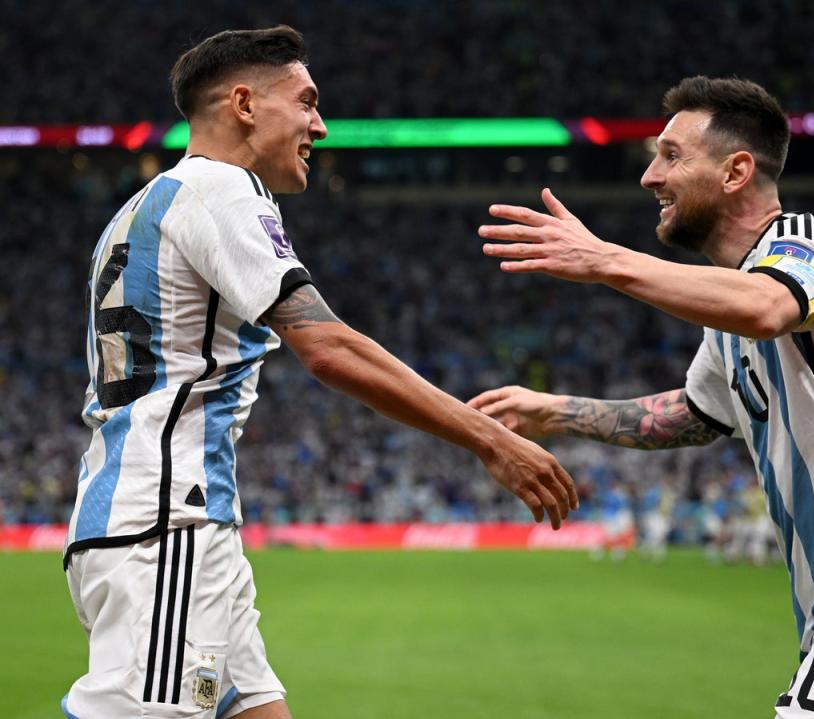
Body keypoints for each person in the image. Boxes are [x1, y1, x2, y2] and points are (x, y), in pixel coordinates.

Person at [62, 26, 577, 719]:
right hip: (164, 531)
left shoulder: (135, 211)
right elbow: (328, 346)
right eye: (306, 102)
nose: (321, 126)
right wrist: (488, 436)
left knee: (255, 709)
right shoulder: (223, 189)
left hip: (159, 522)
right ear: (243, 103)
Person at [469, 75, 814, 717]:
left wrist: (602, 259)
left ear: (736, 172)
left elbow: (766, 308)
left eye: (671, 155)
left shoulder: (812, 246)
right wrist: (554, 411)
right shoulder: (727, 309)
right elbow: (692, 417)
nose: (650, 177)